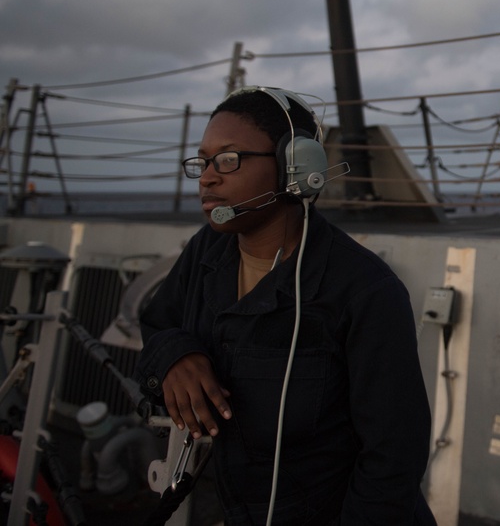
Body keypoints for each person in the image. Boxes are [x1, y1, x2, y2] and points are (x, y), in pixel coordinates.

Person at [136, 86, 435, 525]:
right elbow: (157, 325)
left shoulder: (365, 290)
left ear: (295, 167)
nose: (207, 177)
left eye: (229, 159)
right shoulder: (207, 251)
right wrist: (177, 355)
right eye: (202, 161)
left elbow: (393, 458)